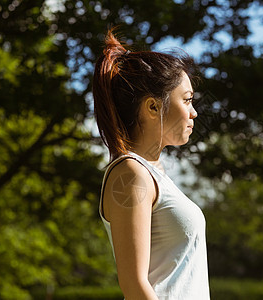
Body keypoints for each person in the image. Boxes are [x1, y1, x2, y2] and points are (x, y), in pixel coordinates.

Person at [92, 28, 210, 300]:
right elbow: (134, 285)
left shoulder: (152, 174)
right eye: (187, 99)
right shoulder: (131, 173)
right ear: (153, 107)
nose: (194, 111)